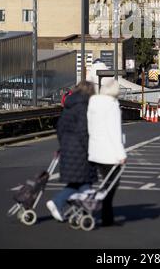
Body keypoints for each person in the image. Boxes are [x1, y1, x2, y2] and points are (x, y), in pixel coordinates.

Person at [46, 81, 97, 222]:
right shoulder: (84, 106)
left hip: (68, 149)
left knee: (78, 182)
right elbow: (83, 130)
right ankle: (72, 207)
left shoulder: (69, 106)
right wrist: (89, 148)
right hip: (80, 150)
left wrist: (63, 145)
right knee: (85, 180)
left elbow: (60, 127)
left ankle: (66, 204)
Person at [87, 78, 126, 226]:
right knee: (112, 184)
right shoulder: (112, 105)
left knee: (106, 182)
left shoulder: (93, 103)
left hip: (95, 150)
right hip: (109, 153)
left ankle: (104, 214)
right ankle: (106, 216)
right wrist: (121, 154)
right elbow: (114, 131)